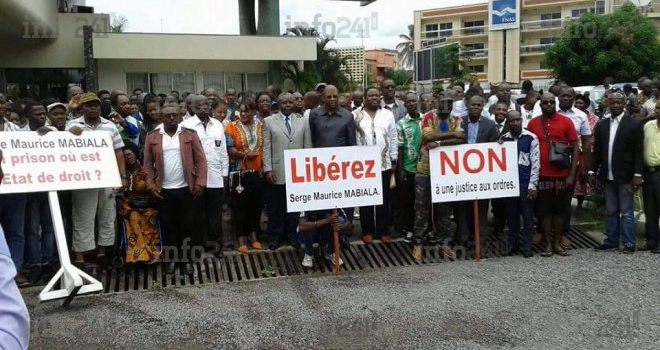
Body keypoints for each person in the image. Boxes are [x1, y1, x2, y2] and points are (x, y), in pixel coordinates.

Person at [66, 92, 128, 267]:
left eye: (96, 105)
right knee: (82, 217)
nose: (93, 108)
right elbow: (64, 149)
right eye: (89, 105)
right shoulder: (72, 125)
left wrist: (122, 177)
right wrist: (71, 135)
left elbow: (119, 152)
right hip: (83, 179)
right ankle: (80, 257)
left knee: (107, 217)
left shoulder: (110, 126)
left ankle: (102, 254)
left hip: (108, 177)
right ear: (82, 108)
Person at [143, 105, 207, 274]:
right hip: (164, 190)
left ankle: (187, 260)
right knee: (168, 226)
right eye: (167, 115)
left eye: (174, 115)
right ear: (161, 118)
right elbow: (148, 165)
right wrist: (150, 185)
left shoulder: (189, 134)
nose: (171, 118)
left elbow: (201, 161)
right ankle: (171, 260)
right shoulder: (153, 137)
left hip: (187, 188)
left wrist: (200, 182)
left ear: (179, 116)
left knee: (188, 226)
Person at [411, 96, 465, 261]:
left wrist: (440, 143)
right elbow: (428, 137)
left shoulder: (457, 119)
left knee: (444, 207)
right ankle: (418, 243)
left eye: (449, 102)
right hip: (425, 169)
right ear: (437, 103)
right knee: (422, 208)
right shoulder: (428, 116)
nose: (445, 105)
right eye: (443, 102)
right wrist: (451, 135)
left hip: (445, 170)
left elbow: (461, 138)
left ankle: (443, 242)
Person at [527, 93, 579, 257]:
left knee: (560, 211)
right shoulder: (533, 123)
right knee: (544, 211)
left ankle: (557, 243)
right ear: (540, 105)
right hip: (541, 175)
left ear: (555, 104)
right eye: (545, 102)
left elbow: (575, 147)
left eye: (551, 102)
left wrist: (571, 173)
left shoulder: (566, 121)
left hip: (562, 175)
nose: (548, 104)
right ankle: (547, 244)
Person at [591, 92, 644, 254]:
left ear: (624, 104)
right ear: (607, 103)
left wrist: (638, 174)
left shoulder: (634, 124)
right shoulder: (602, 124)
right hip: (608, 174)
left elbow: (638, 152)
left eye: (618, 103)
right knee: (610, 210)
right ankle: (611, 241)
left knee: (626, 212)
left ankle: (629, 242)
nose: (615, 105)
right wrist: (592, 170)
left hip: (626, 174)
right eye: (612, 102)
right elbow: (597, 151)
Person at [180, 95, 229, 258]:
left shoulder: (217, 124)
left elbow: (222, 151)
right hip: (196, 178)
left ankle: (215, 245)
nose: (205, 107)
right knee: (196, 213)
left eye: (207, 104)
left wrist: (225, 174)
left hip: (216, 176)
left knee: (215, 214)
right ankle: (198, 245)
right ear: (193, 108)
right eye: (200, 105)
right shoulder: (185, 125)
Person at [263, 92, 312, 250]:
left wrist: (307, 168)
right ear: (278, 104)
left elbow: (307, 146)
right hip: (277, 170)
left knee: (294, 206)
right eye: (284, 102)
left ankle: (293, 235)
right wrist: (268, 169)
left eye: (291, 102)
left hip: (297, 171)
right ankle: (275, 237)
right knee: (276, 207)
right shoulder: (269, 121)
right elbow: (266, 148)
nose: (288, 105)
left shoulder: (303, 121)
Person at [354, 87, 398, 244]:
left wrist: (394, 158)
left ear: (380, 97)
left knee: (384, 199)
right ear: (365, 98)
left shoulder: (387, 114)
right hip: (362, 166)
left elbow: (393, 137)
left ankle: (383, 230)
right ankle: (367, 230)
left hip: (384, 163)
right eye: (370, 95)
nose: (374, 97)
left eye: (376, 95)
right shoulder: (355, 115)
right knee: (366, 198)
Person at [21, 100, 56, 285]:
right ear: (28, 117)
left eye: (44, 113)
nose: (42, 116)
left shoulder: (55, 133)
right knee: (32, 229)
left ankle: (48, 262)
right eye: (38, 114)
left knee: (50, 228)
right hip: (31, 190)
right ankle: (35, 264)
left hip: (51, 188)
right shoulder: (19, 136)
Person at [225, 99, 265, 253]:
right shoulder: (231, 126)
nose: (243, 114)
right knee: (239, 207)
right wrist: (245, 155)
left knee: (256, 206)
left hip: (257, 172)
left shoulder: (261, 126)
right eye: (241, 111)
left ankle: (253, 234)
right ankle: (240, 237)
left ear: (254, 112)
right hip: (239, 173)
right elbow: (229, 149)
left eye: (247, 111)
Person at [459, 95, 498, 246]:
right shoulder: (458, 122)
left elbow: (493, 147)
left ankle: (480, 239)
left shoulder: (489, 125)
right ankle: (463, 237)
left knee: (481, 206)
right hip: (460, 172)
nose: (475, 107)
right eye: (473, 104)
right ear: (467, 105)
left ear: (483, 107)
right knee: (463, 207)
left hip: (481, 173)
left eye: (479, 105)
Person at [500, 110, 539, 258]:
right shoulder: (503, 139)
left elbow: (536, 163)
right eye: (511, 120)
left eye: (517, 120)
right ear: (507, 122)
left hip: (525, 183)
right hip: (510, 184)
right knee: (511, 217)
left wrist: (532, 185)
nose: (515, 123)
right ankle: (512, 244)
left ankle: (527, 247)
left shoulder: (531, 138)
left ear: (521, 120)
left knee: (528, 217)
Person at [116, 147, 160, 264]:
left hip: (146, 204)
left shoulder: (145, 170)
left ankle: (148, 250)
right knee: (134, 216)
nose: (128, 157)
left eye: (130, 154)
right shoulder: (121, 174)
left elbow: (154, 188)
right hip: (129, 206)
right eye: (125, 156)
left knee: (150, 215)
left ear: (135, 154)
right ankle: (142, 252)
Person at [396, 92, 422, 242]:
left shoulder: (426, 120)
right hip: (409, 168)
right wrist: (400, 169)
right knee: (409, 202)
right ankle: (410, 230)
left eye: (414, 101)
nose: (412, 104)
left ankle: (425, 230)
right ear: (404, 105)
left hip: (426, 168)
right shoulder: (400, 124)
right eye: (409, 102)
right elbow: (400, 148)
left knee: (423, 202)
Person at [572, 94, 599, 209]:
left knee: (584, 176)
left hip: (588, 151)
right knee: (574, 178)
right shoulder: (571, 117)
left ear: (587, 105)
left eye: (581, 103)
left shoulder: (594, 118)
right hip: (574, 150)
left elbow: (594, 135)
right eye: (576, 103)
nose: (578, 105)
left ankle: (581, 204)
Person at [642, 102, 660, 253]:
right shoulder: (648, 125)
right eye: (658, 108)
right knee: (650, 209)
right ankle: (652, 240)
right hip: (648, 172)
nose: (658, 111)